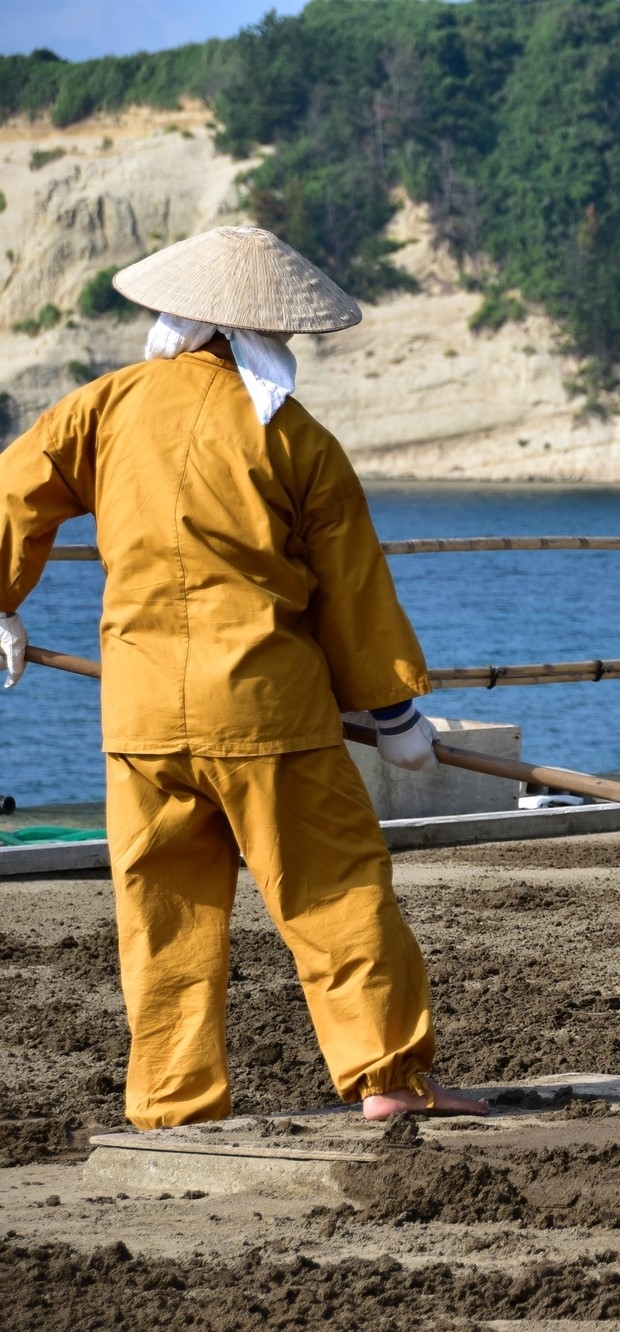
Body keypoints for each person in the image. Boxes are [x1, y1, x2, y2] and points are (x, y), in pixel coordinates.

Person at [0, 226, 485, 1128]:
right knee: (334, 893)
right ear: (266, 334)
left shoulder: (104, 407)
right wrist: (393, 713)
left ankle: (175, 1106)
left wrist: (1, 601)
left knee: (163, 919)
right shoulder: (296, 439)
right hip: (270, 715)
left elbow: (12, 492)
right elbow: (352, 592)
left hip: (141, 717)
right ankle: (388, 1078)